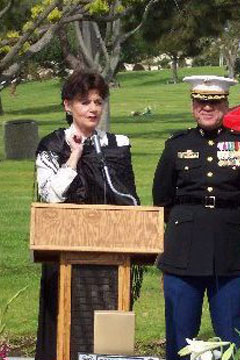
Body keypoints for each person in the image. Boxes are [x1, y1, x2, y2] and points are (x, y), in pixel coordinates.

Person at [152, 75, 240, 360]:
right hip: (183, 249)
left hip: (231, 250)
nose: (207, 108)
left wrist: (232, 223)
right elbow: (162, 197)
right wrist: (184, 223)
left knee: (229, 336)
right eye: (201, 102)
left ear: (225, 105)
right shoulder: (176, 145)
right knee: (180, 336)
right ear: (193, 106)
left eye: (214, 103)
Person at [35, 69, 139, 360]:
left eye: (97, 101)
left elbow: (130, 199)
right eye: (85, 102)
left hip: (110, 254)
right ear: (68, 105)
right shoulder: (52, 145)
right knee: (67, 329)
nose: (93, 108)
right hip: (64, 252)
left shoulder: (117, 145)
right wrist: (74, 157)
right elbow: (51, 198)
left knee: (106, 333)